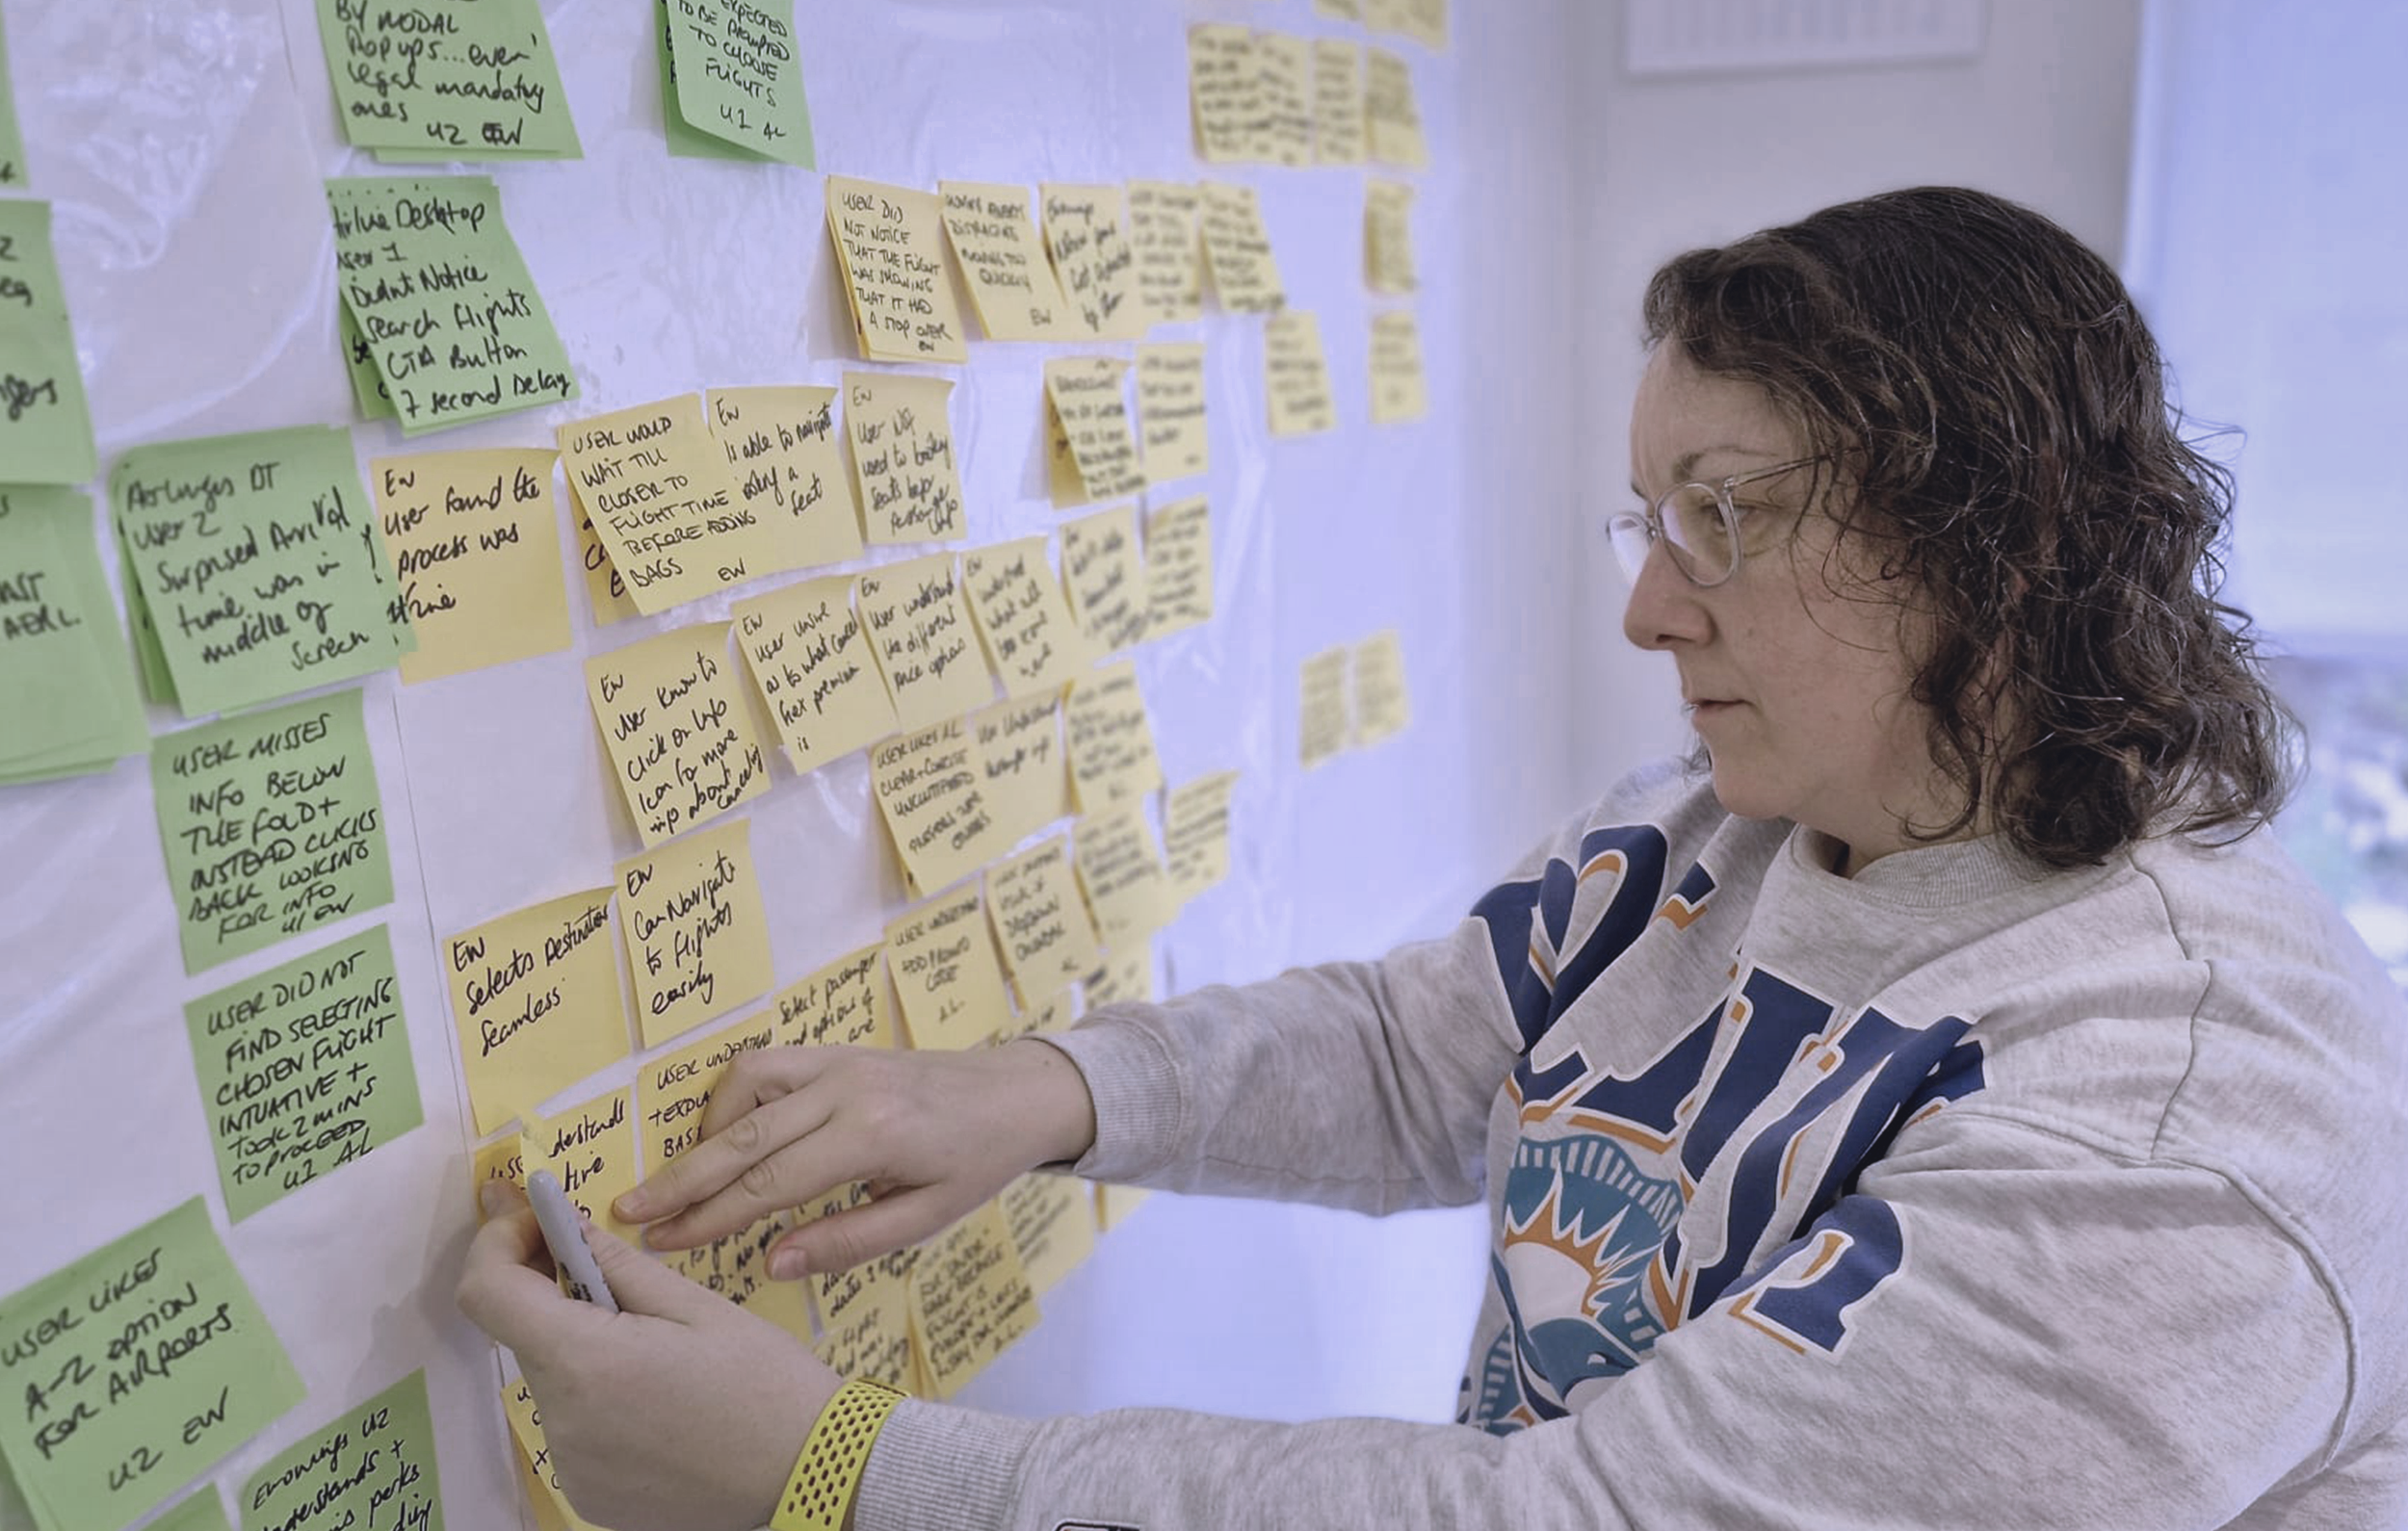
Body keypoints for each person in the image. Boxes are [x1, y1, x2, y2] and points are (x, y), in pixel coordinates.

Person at [458, 186, 2408, 1530]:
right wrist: (1041, 1094)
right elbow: (1427, 1050)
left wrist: (835, 1474)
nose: (1648, 608)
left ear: (1989, 542)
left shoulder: (2188, 1115)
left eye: (1724, 518)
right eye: (1646, 518)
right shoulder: (1728, 818)